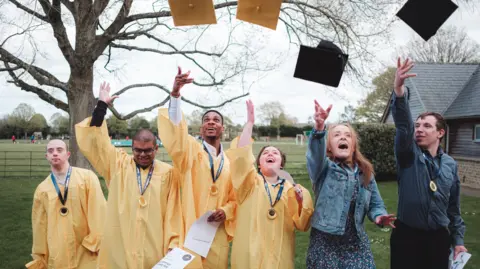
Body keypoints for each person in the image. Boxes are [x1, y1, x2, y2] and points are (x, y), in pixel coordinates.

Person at [75, 82, 182, 269]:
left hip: (153, 248)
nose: (142, 155)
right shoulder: (118, 166)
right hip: (121, 248)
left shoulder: (168, 173)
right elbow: (97, 143)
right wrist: (101, 107)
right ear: (131, 148)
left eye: (148, 150)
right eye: (137, 150)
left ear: (156, 149)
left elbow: (174, 213)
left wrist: (173, 245)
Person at [389, 58, 467, 269]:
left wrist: (458, 241)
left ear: (440, 133)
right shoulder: (408, 155)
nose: (419, 129)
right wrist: (398, 90)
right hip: (407, 238)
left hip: (438, 240)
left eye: (427, 126)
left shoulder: (450, 164)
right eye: (418, 125)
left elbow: (453, 208)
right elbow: (404, 126)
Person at [157, 67, 236, 269]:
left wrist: (226, 211)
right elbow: (176, 132)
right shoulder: (190, 150)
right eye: (206, 120)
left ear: (222, 128)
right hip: (190, 228)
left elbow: (235, 198)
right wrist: (175, 95)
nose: (211, 122)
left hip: (216, 233)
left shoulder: (230, 162)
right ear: (201, 128)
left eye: (216, 120)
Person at [305, 101, 396, 269]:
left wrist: (379, 216)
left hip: (356, 244)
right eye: (337, 135)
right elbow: (314, 155)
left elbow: (376, 203)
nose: (343, 137)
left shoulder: (365, 172)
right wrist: (319, 129)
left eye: (347, 136)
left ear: (353, 146)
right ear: (329, 147)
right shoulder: (323, 169)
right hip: (325, 244)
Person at [225, 100, 313, 269]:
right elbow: (241, 157)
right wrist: (249, 124)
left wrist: (301, 201)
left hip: (280, 256)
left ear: (281, 164)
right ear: (258, 164)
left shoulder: (293, 189)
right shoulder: (249, 183)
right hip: (250, 256)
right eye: (265, 153)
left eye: (275, 153)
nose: (270, 154)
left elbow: (302, 224)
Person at [26, 139, 106, 269]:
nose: (55, 153)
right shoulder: (42, 190)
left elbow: (98, 211)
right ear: (47, 157)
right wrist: (41, 255)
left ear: (68, 154)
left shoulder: (87, 178)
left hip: (86, 249)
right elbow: (39, 226)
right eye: (51, 151)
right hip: (58, 252)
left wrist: (97, 241)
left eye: (59, 150)